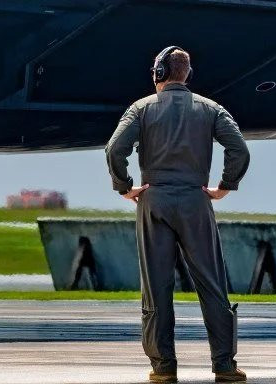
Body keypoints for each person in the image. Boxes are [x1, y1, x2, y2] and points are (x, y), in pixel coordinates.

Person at [105, 46, 251, 384]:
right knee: (212, 285)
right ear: (187, 74)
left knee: (156, 287)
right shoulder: (211, 109)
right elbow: (238, 148)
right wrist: (225, 187)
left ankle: (163, 367)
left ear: (158, 73)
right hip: (196, 199)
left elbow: (115, 149)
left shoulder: (140, 109)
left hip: (153, 199)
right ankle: (225, 366)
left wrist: (124, 187)